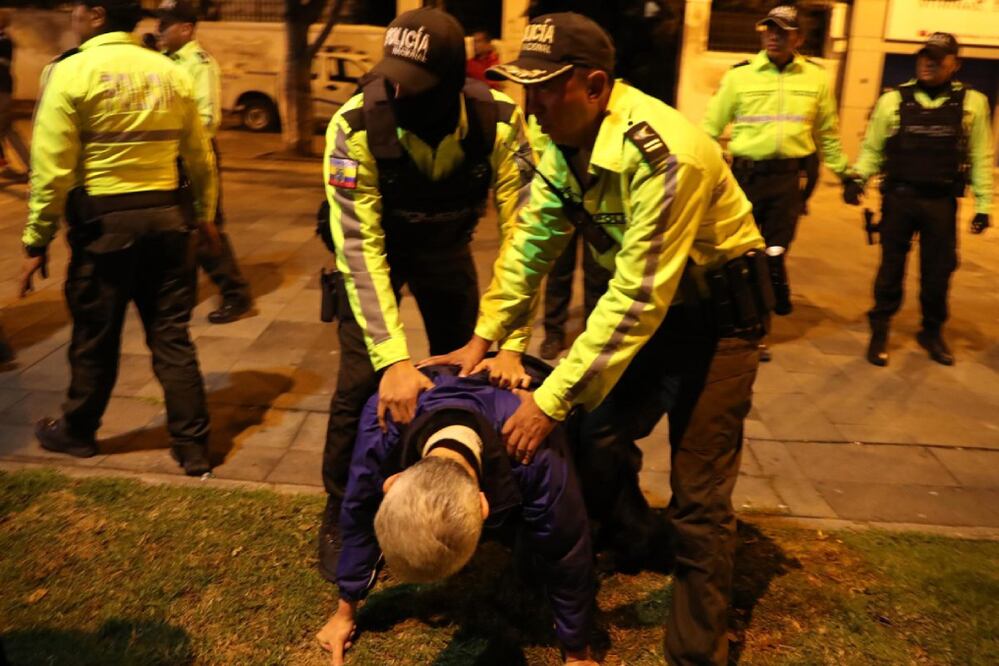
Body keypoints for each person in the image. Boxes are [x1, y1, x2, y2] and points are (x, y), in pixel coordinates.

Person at [427, 13, 771, 664]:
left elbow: (637, 296)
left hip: (717, 327)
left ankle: (698, 643)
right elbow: (530, 247)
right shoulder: (558, 141)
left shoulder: (665, 154)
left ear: (594, 85)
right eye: (524, 87)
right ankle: (634, 535)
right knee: (596, 437)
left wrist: (549, 397)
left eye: (545, 88)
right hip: (645, 316)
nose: (531, 104)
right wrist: (483, 336)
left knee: (698, 495)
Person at [319, 8, 535, 586]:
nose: (393, 89)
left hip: (446, 248)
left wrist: (509, 343)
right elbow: (359, 252)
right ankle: (344, 508)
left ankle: (464, 501)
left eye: (409, 83)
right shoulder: (354, 124)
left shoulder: (501, 120)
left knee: (471, 379)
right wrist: (392, 359)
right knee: (360, 385)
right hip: (378, 258)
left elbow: (526, 237)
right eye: (389, 75)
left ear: (450, 84)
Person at [21, 0, 219, 476]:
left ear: (96, 14)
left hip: (105, 230)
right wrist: (206, 215)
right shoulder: (170, 72)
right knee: (172, 337)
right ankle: (193, 447)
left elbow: (51, 171)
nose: (69, 15)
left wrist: (37, 239)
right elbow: (199, 155)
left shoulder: (72, 72)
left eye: (74, 8)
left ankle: (79, 431)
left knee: (95, 338)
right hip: (170, 226)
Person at [316, 363, 596, 665]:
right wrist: (345, 611)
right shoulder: (384, 414)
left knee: (538, 554)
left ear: (484, 505)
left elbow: (566, 551)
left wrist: (577, 653)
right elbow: (358, 511)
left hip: (534, 387)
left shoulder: (534, 449)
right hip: (455, 387)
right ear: (392, 482)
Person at [845, 32, 993, 367]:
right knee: (890, 268)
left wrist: (984, 205)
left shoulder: (973, 103)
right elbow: (872, 149)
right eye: (924, 56)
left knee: (938, 271)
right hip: (899, 198)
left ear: (955, 64)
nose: (928, 62)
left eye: (938, 58)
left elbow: (981, 156)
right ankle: (880, 327)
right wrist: (857, 179)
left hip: (940, 202)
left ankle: (932, 330)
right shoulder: (892, 100)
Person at [702, 4, 849, 332]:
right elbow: (709, 130)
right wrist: (715, 170)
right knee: (741, 252)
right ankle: (743, 317)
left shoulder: (816, 78)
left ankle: (761, 322)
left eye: (782, 31)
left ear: (798, 38)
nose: (773, 36)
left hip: (786, 181)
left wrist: (846, 174)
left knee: (773, 252)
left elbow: (827, 133)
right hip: (745, 178)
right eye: (769, 29)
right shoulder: (739, 76)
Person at [158, 0, 253, 324]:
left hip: (193, 155)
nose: (159, 31)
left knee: (206, 225)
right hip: (170, 156)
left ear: (186, 28)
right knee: (181, 230)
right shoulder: (165, 60)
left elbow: (208, 119)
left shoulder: (200, 64)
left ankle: (236, 295)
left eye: (165, 25)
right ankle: (180, 299)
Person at [539, 232, 611, 359]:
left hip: (596, 216)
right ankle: (553, 333)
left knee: (597, 274)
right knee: (558, 269)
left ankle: (592, 335)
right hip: (563, 213)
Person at [0, 12, 31, 175]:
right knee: (8, 130)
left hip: (2, 90)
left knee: (6, 129)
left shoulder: (5, 41)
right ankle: (29, 165)